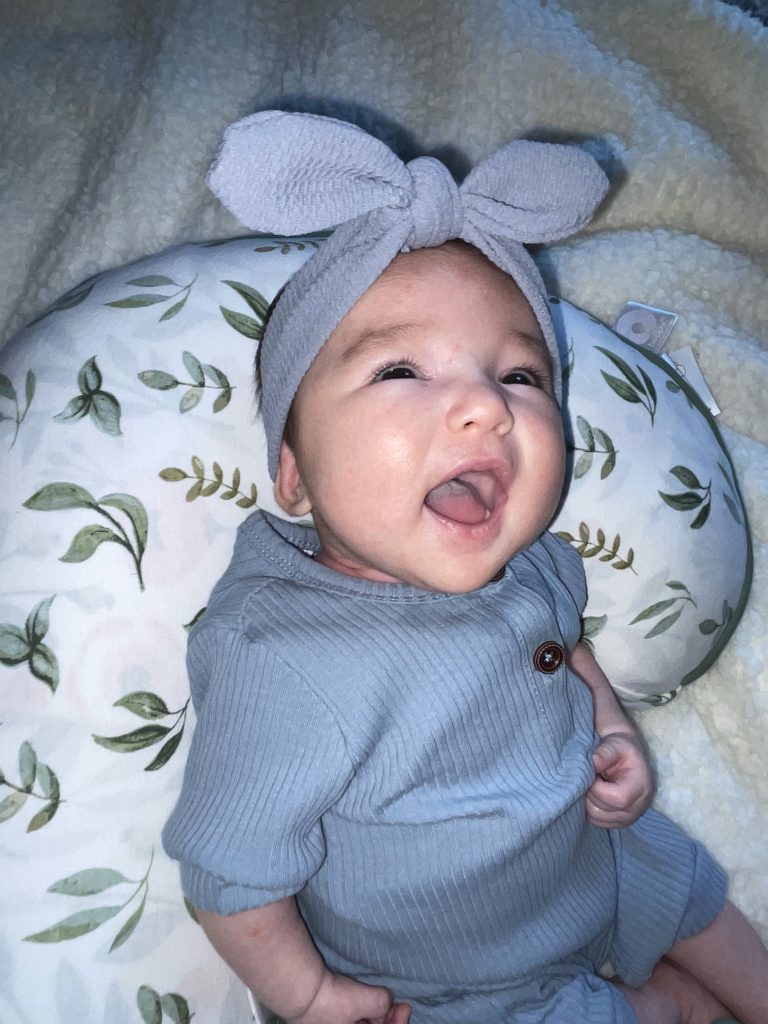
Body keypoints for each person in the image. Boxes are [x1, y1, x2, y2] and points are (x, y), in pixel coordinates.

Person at [163, 112, 768, 1024]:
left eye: (520, 377)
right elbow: (228, 870)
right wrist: (310, 994)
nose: (485, 406)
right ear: (295, 475)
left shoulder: (530, 565)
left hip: (596, 859)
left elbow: (565, 645)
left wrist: (612, 730)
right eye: (400, 370)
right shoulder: (283, 655)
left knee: (692, 891)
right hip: (467, 983)